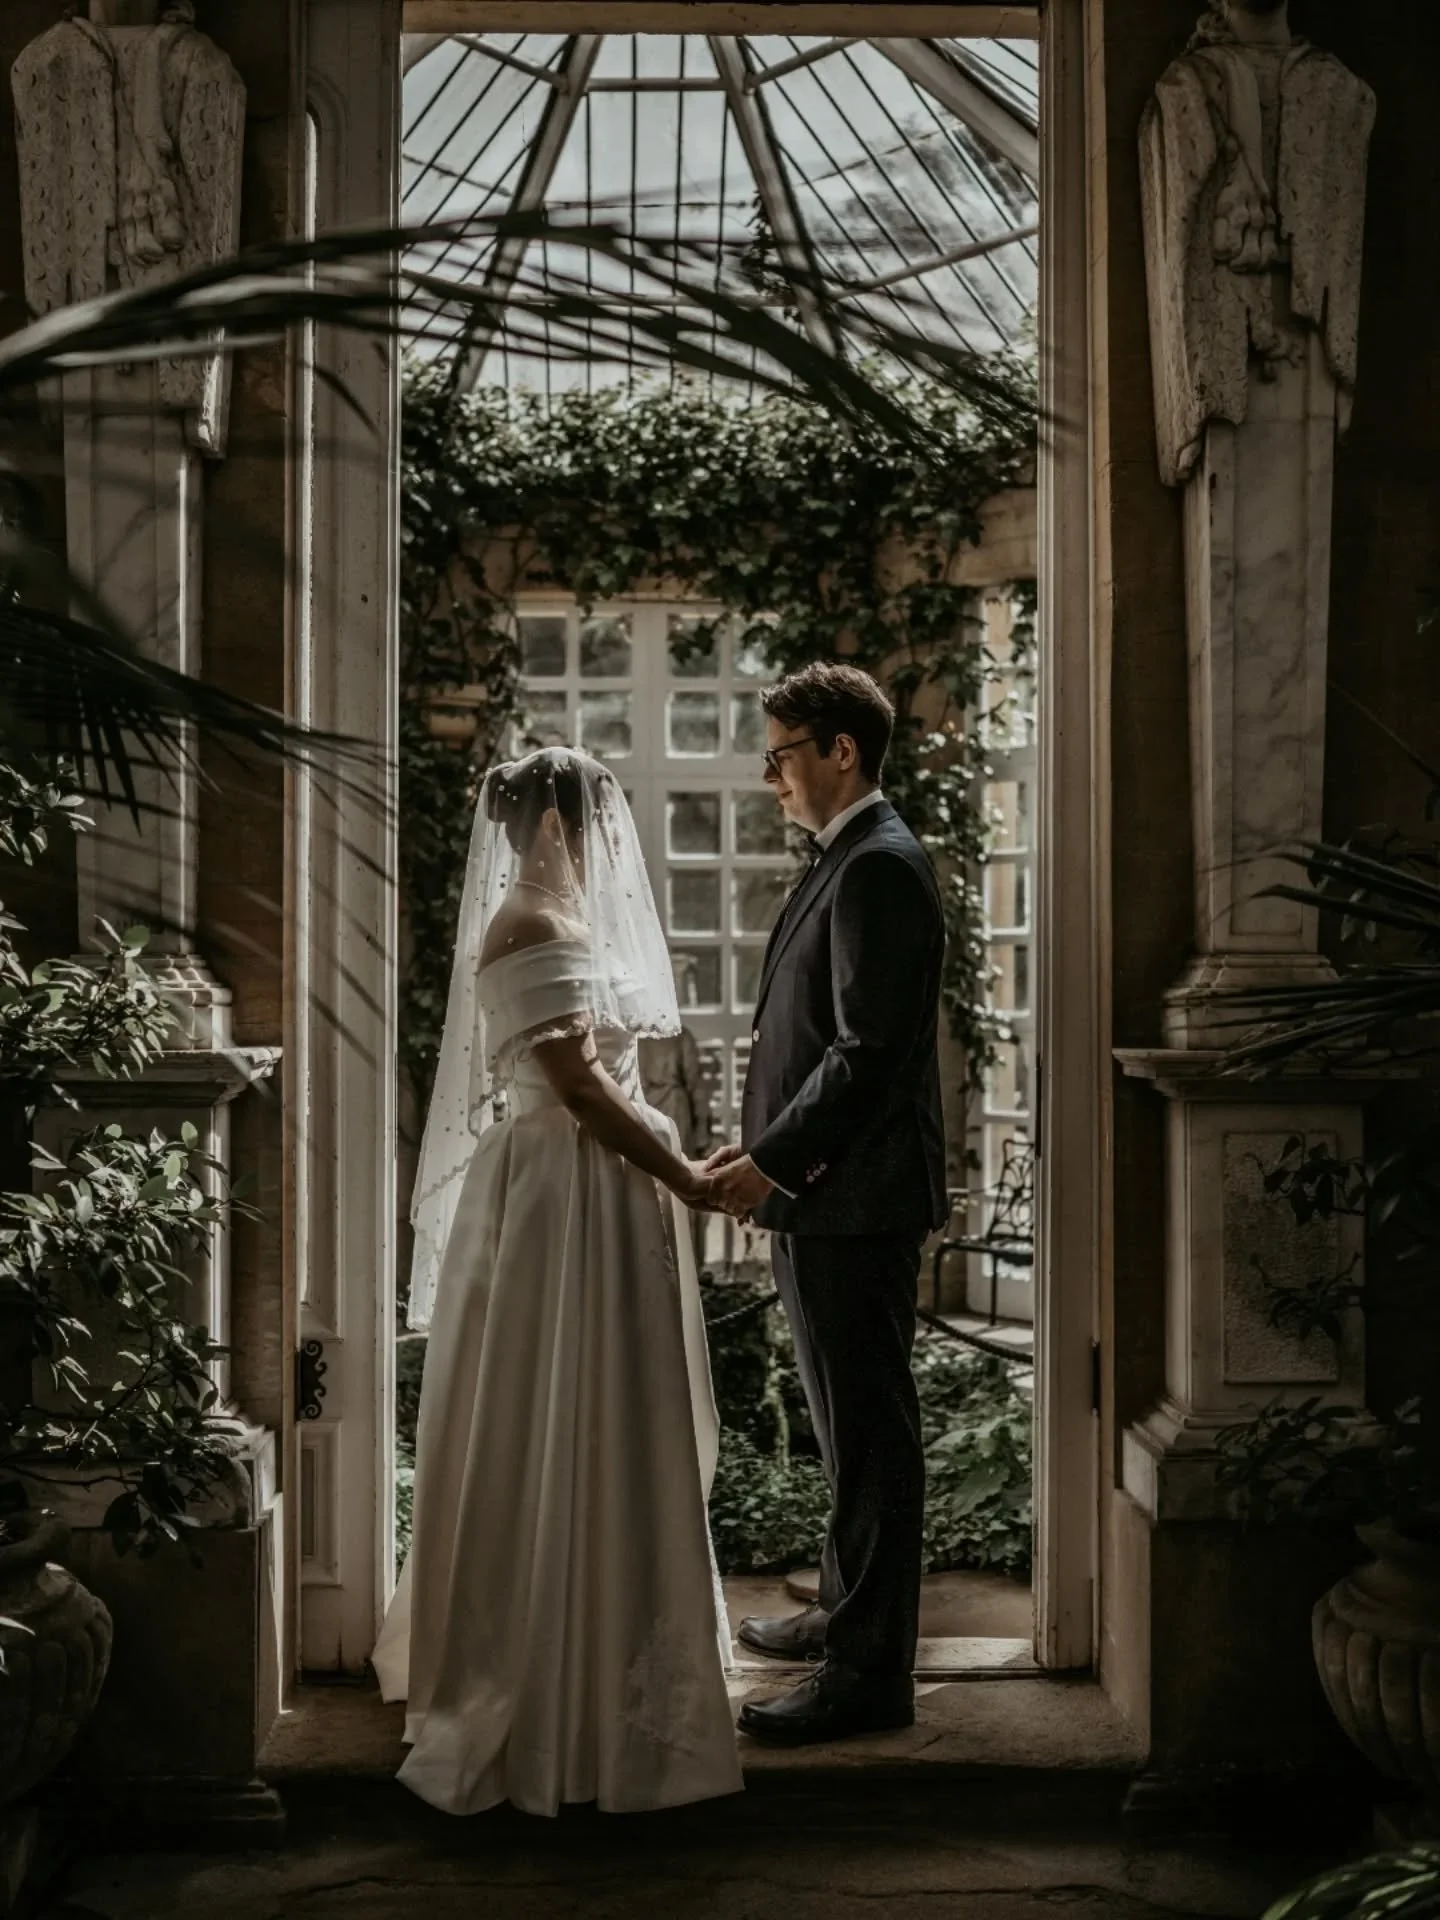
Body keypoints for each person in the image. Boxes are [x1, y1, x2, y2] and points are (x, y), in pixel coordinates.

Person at [370, 749, 743, 1817]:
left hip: (593, 1197)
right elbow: (577, 1085)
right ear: (556, 826)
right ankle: (545, 1678)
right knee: (557, 1407)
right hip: (564, 1198)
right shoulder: (532, 925)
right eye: (590, 826)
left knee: (610, 1413)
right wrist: (682, 1172)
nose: (596, 847)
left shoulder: (552, 922)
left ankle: (609, 1641)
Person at [705, 662, 947, 1746]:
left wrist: (777, 1162)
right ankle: (842, 1617)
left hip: (853, 1196)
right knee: (846, 1433)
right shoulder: (847, 858)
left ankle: (868, 1678)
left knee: (873, 1439)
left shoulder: (880, 867)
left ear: (840, 749)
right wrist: (764, 1149)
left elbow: (868, 1053)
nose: (772, 779)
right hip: (823, 1190)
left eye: (781, 754)